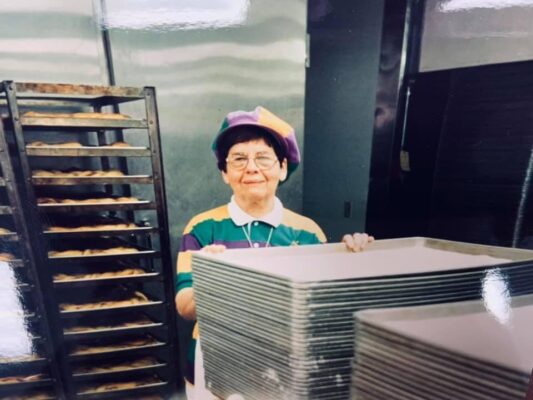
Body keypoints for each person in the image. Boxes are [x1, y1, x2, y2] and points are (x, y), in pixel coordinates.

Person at [175, 106, 373, 399]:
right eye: (239, 159)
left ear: (282, 168)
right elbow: (184, 307)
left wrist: (358, 263)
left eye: (263, 158)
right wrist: (212, 278)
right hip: (214, 363)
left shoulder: (307, 232)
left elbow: (322, 310)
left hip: (282, 367)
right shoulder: (202, 228)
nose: (252, 168)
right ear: (225, 173)